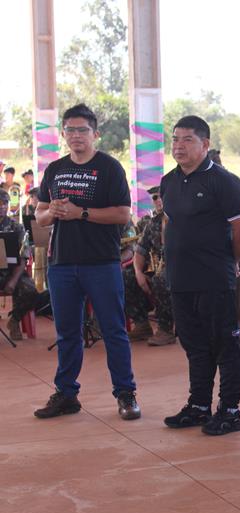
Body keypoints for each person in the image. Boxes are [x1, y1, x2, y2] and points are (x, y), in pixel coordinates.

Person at [33, 103, 140, 421]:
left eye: (82, 130)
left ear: (96, 134)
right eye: (70, 129)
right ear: (63, 134)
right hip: (62, 264)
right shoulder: (54, 169)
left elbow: (122, 214)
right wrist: (52, 212)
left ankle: (126, 393)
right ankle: (66, 394)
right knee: (67, 333)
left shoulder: (109, 168)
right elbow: (40, 217)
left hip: (101, 263)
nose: (76, 135)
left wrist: (81, 212)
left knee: (113, 331)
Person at [161, 115, 240, 436]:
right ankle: (199, 405)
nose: (179, 146)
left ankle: (229, 409)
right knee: (195, 345)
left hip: (214, 279)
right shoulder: (168, 181)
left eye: (187, 139)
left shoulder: (224, 181)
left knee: (225, 346)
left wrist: (229, 260)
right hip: (180, 279)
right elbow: (170, 224)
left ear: (205, 144)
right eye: (174, 139)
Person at [128, 185, 175, 346]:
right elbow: (140, 251)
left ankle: (165, 330)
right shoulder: (152, 223)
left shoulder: (181, 219)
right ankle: (141, 324)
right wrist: (138, 273)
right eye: (155, 198)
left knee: (160, 279)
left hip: (181, 268)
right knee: (126, 276)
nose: (159, 200)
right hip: (159, 268)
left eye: (161, 196)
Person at [0, 189, 38, 340]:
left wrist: (13, 281)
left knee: (31, 291)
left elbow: (24, 258)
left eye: (5, 203)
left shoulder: (17, 227)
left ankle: (14, 319)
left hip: (13, 272)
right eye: (0, 203)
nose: (3, 206)